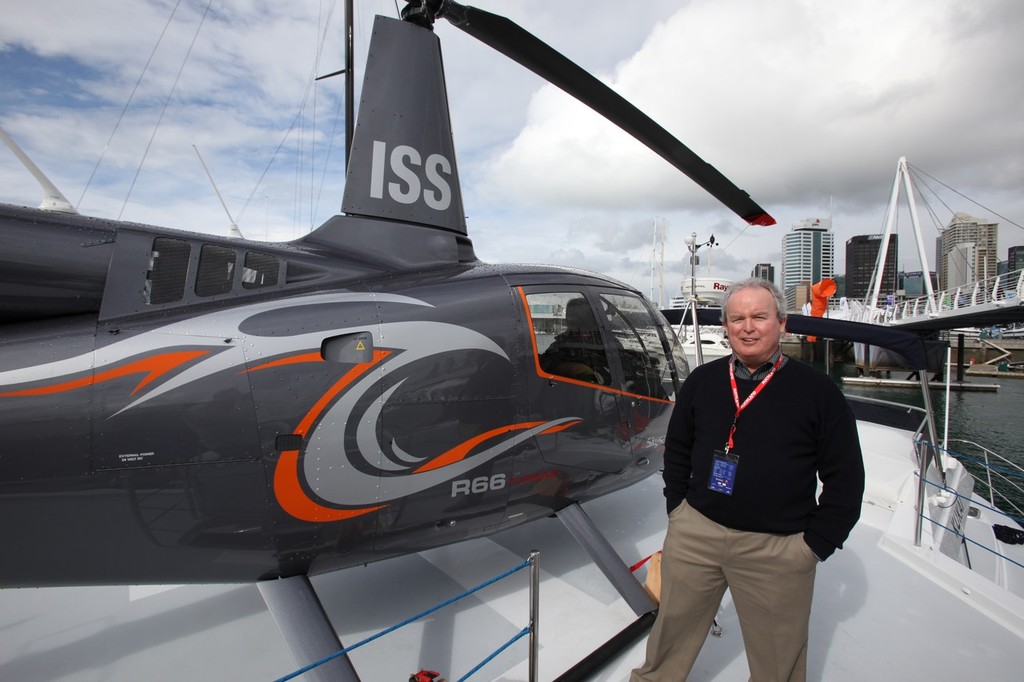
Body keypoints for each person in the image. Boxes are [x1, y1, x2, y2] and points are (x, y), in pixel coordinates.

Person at [631, 278, 864, 681]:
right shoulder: (702, 382)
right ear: (726, 326)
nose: (748, 326)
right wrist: (678, 510)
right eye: (737, 318)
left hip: (777, 548)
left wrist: (812, 547)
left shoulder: (818, 392)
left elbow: (845, 478)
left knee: (778, 662)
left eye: (759, 316)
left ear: (782, 324)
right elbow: (679, 449)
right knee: (668, 640)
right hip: (696, 533)